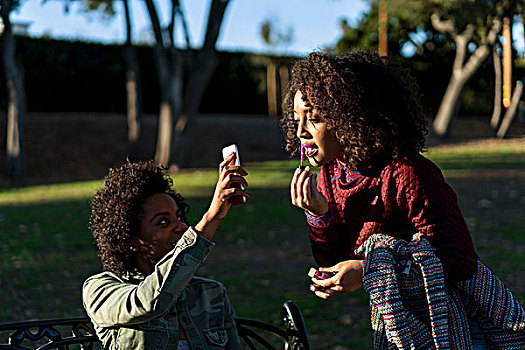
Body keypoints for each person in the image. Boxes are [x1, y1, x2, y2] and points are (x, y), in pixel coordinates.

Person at [283, 50, 525, 348]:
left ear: (350, 117)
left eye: (315, 119)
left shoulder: (408, 174)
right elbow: (336, 261)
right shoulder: (331, 176)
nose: (300, 132)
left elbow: (459, 261)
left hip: (450, 328)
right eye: (296, 119)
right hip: (397, 327)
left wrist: (369, 269)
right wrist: (319, 214)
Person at [82, 155, 249, 350]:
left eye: (179, 217)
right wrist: (211, 218)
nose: (182, 227)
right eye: (163, 221)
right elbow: (151, 302)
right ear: (131, 239)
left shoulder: (211, 294)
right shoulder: (100, 290)